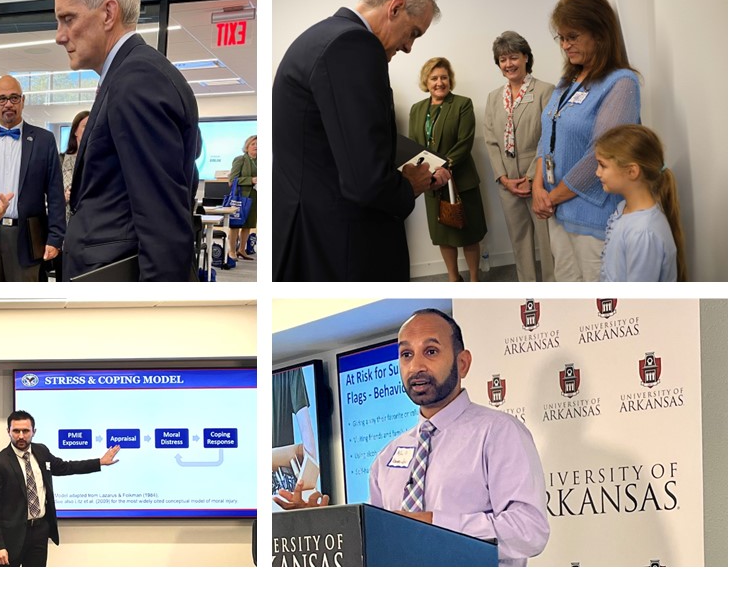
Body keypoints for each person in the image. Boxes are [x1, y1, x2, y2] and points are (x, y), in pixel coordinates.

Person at [276, 309, 549, 566]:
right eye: (406, 354)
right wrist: (320, 524)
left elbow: (528, 531)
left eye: (430, 351)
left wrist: (430, 524)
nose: (416, 366)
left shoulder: (498, 433)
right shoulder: (385, 458)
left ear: (462, 363)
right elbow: (379, 546)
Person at [273, 0, 450, 282]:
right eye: (413, 33)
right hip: (340, 244)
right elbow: (364, 180)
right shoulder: (353, 45)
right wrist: (410, 184)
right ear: (395, 8)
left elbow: (338, 138)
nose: (409, 46)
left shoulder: (320, 37)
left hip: (309, 231)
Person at [52, 0, 200, 281]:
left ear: (108, 13)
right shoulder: (128, 75)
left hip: (120, 289)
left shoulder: (137, 80)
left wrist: (153, 315)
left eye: (68, 19)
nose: (60, 36)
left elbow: (163, 225)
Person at [531, 0, 641, 282]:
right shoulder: (567, 81)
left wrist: (551, 196)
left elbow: (602, 153)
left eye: (573, 36)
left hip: (593, 216)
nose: (565, 45)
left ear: (600, 34)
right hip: (556, 211)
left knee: (598, 293)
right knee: (568, 289)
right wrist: (537, 187)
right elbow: (547, 135)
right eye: (561, 38)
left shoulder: (621, 83)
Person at [0, 75, 65, 282]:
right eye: (2, 99)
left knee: (25, 308)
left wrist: (55, 238)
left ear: (23, 101)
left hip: (27, 236)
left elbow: (55, 195)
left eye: (14, 98)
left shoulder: (44, 141)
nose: (8, 104)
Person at [0, 410, 121, 567]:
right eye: (16, 431)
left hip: (39, 533)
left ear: (34, 432)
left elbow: (65, 467)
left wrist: (99, 462)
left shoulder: (41, 452)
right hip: (11, 537)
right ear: (8, 431)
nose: (21, 436)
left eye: (26, 431)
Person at [483, 32, 555, 282]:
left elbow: (549, 138)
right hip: (508, 185)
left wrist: (531, 178)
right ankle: (528, 290)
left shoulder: (546, 91)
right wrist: (503, 178)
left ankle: (553, 290)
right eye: (503, 59)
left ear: (526, 57)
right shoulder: (493, 98)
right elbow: (491, 140)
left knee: (547, 242)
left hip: (539, 182)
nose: (509, 64)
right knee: (519, 242)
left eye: (514, 57)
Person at [410, 57, 487, 281]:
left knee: (469, 233)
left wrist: (441, 167)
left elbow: (464, 142)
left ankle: (474, 279)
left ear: (450, 80)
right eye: (434, 78)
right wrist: (429, 173)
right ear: (426, 81)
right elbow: (415, 145)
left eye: (444, 77)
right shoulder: (417, 110)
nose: (439, 82)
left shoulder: (462, 104)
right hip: (432, 183)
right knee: (443, 235)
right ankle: (453, 278)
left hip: (461, 181)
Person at [595, 124, 686, 281]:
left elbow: (639, 301)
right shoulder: (623, 208)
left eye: (603, 165)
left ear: (632, 171)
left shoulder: (643, 233)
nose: (597, 172)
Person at [228, 134, 257, 261]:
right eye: (253, 144)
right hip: (240, 197)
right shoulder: (240, 159)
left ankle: (242, 250)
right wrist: (251, 180)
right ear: (247, 146)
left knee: (248, 225)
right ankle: (232, 251)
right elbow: (232, 180)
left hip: (255, 197)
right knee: (236, 225)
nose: (256, 146)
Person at [61, 109, 90, 216]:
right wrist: (65, 197)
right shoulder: (61, 159)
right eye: (85, 126)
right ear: (75, 131)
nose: (89, 130)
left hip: (90, 219)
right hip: (66, 221)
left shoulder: (99, 162)